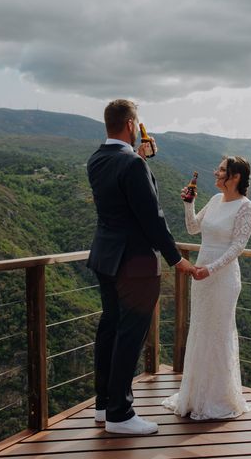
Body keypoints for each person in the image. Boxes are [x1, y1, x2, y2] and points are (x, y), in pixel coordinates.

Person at [87, 99, 194, 435]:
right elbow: (152, 218)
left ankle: (103, 406)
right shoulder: (132, 164)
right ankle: (121, 414)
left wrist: (140, 159)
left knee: (109, 331)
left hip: (105, 258)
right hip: (133, 265)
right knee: (129, 336)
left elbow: (121, 197)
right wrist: (176, 259)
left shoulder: (97, 159)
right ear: (132, 125)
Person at [162, 156, 251, 420]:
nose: (216, 172)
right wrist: (188, 205)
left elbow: (238, 246)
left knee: (219, 332)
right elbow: (193, 229)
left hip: (222, 277)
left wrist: (211, 269)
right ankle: (194, 395)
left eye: (222, 170)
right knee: (201, 330)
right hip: (201, 273)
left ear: (235, 177)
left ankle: (218, 398)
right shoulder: (215, 200)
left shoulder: (245, 206)